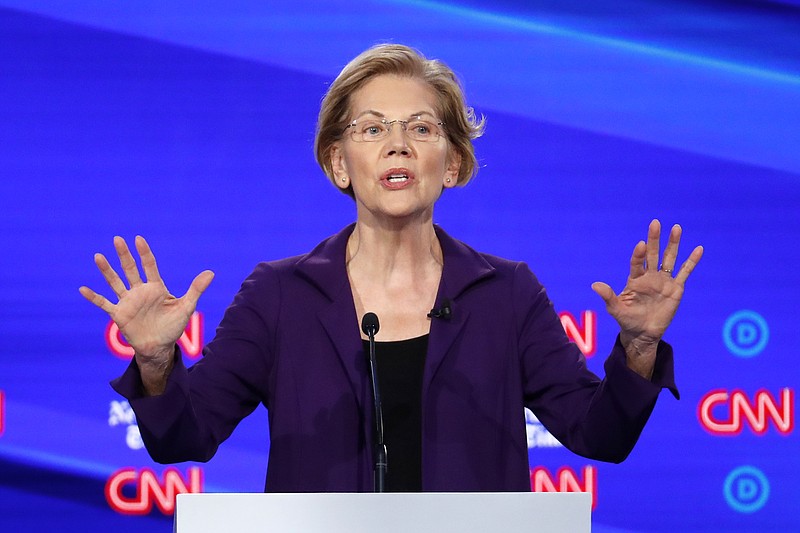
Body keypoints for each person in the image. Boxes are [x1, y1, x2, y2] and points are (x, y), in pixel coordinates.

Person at [80, 44, 703, 493]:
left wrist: (640, 346)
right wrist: (158, 365)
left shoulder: (506, 294)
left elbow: (601, 436)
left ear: (452, 165)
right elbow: (183, 439)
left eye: (421, 128)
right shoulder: (279, 295)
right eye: (372, 128)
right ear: (339, 165)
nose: (396, 144)